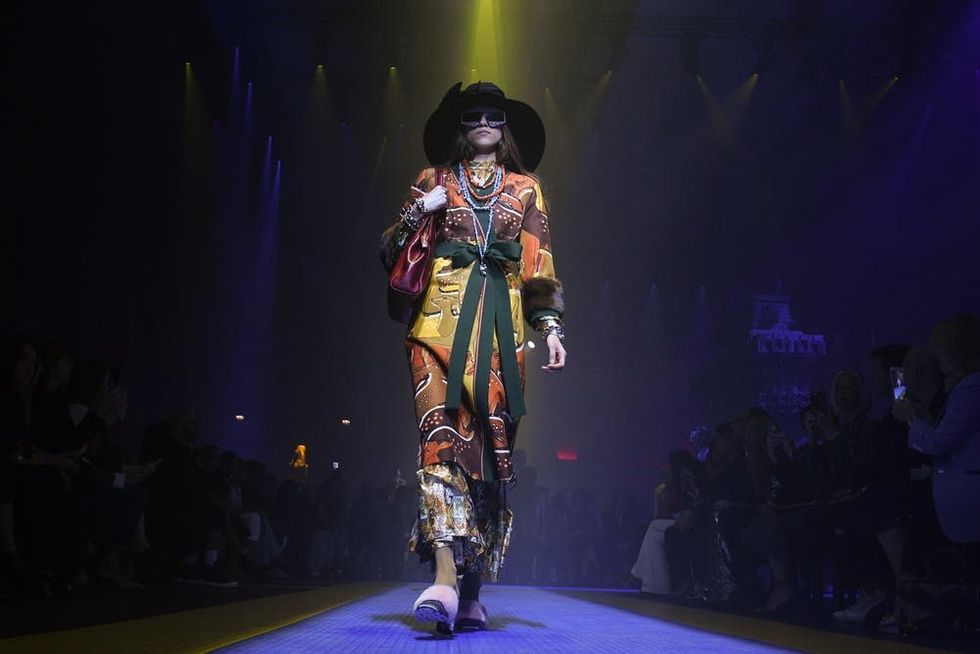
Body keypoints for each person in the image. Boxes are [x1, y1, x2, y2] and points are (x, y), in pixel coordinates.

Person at [381, 81, 566, 634]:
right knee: (439, 441)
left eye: (493, 115)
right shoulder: (431, 181)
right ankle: (441, 577)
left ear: (504, 127)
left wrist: (551, 326)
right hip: (436, 326)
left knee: (488, 454)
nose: (483, 122)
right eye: (471, 116)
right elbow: (390, 250)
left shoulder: (528, 189)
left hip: (499, 334)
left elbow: (540, 264)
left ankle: (473, 588)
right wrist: (420, 213)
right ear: (459, 127)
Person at [894, 314, 980, 544]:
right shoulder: (966, 387)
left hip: (966, 497)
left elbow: (938, 444)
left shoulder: (972, 387)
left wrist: (911, 418)